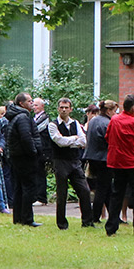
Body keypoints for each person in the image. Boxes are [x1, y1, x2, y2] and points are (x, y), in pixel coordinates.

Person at [105, 94, 134, 237]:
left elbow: (107, 137)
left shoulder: (114, 120)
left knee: (117, 194)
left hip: (117, 162)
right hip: (133, 163)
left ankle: (111, 227)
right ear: (133, 108)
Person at [47, 98, 93, 229]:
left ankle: (87, 221)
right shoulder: (53, 125)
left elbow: (84, 141)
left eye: (66, 107)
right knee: (62, 193)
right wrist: (74, 139)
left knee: (84, 190)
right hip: (60, 161)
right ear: (58, 109)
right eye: (61, 107)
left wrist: (69, 141)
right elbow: (59, 141)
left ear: (71, 109)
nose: (64, 110)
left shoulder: (75, 123)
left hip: (75, 161)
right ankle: (62, 223)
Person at [5, 93, 43, 227]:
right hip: (25, 157)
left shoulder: (16, 116)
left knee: (19, 188)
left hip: (17, 156)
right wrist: (34, 152)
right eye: (29, 101)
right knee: (28, 187)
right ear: (21, 103)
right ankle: (27, 218)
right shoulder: (23, 117)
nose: (32, 103)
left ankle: (18, 217)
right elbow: (26, 137)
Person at [83, 102, 112, 226]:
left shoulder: (93, 121)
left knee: (106, 188)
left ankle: (113, 215)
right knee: (102, 188)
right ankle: (95, 216)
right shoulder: (107, 123)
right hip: (103, 158)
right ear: (109, 110)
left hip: (92, 157)